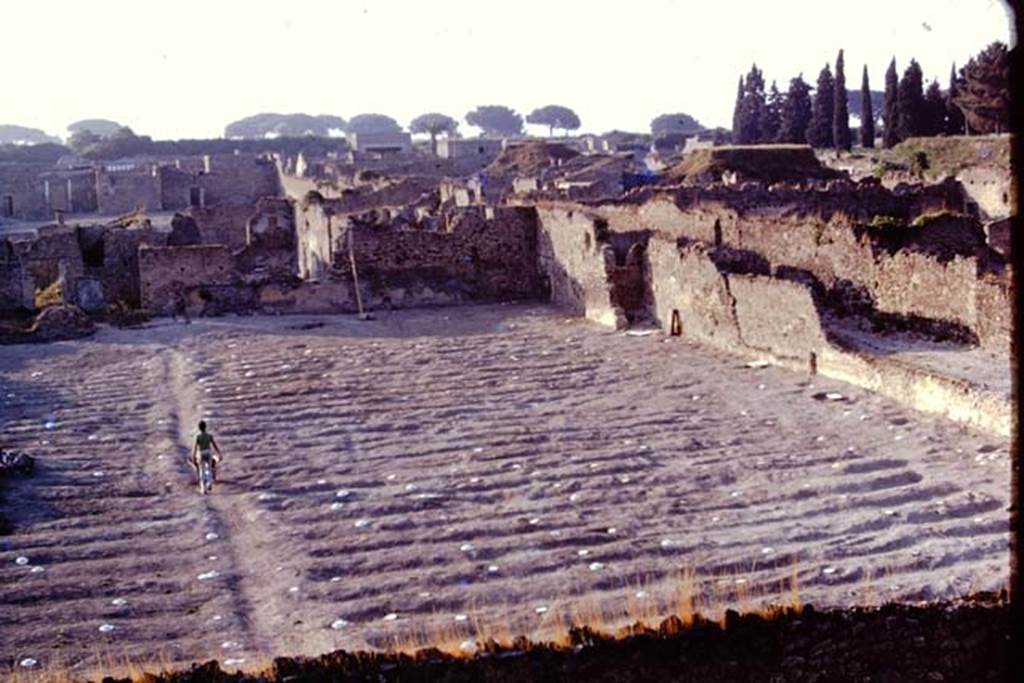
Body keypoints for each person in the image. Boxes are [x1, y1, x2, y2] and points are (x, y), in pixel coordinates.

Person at [190, 421, 224, 488]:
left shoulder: (198, 437)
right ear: (205, 427)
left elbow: (195, 447)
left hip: (201, 453)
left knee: (202, 469)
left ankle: (203, 487)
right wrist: (219, 453)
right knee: (209, 468)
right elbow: (214, 445)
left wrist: (193, 457)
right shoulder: (209, 436)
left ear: (199, 428)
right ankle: (209, 483)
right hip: (208, 452)